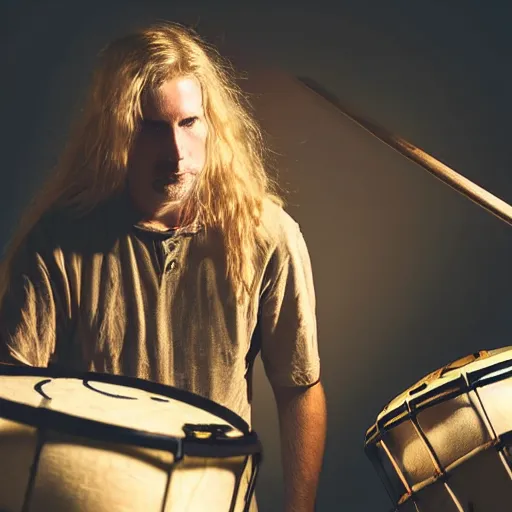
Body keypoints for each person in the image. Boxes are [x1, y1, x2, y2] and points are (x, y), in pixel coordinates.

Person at [0, 23, 326, 512]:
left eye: (189, 122)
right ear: (116, 130)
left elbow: (299, 389)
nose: (176, 153)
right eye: (152, 126)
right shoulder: (57, 243)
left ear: (211, 123)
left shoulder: (266, 236)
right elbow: (10, 395)